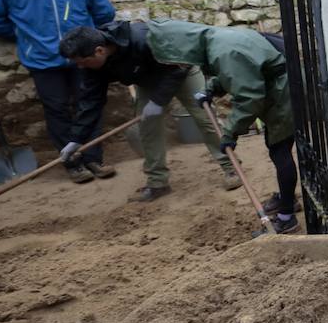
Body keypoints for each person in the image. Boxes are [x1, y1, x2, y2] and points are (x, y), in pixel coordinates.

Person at [0, 0, 116, 183]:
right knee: (57, 109)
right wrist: (20, 34)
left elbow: (105, 12)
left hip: (81, 57)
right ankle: (72, 162)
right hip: (42, 60)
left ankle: (94, 158)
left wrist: (88, 37)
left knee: (88, 105)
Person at [143, 20, 301, 234]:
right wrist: (211, 89)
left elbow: (249, 97)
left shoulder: (223, 50)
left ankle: (286, 217)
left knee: (280, 151)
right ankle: (286, 199)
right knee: (276, 148)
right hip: (277, 86)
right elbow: (237, 73)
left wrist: (230, 133)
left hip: (283, 92)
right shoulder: (217, 40)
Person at [60, 23, 244, 201]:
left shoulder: (143, 39)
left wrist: (158, 102)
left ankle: (231, 167)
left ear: (99, 50)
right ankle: (158, 183)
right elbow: (90, 101)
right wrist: (77, 138)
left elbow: (178, 65)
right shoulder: (92, 66)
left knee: (204, 117)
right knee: (147, 128)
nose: (80, 67)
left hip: (181, 68)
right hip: (148, 80)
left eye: (83, 62)